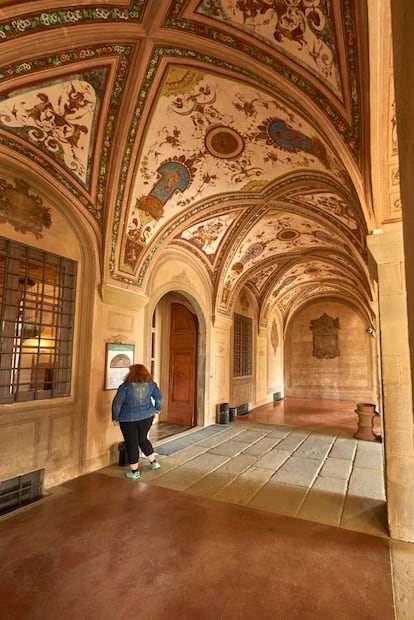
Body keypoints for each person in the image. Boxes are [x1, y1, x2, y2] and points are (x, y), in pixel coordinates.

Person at [112, 363, 163, 479]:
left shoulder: (125, 386)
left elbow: (117, 403)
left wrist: (115, 418)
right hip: (147, 416)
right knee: (143, 439)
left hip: (128, 419)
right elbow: (159, 398)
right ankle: (154, 462)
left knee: (132, 443)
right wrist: (156, 411)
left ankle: (134, 472)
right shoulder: (151, 385)